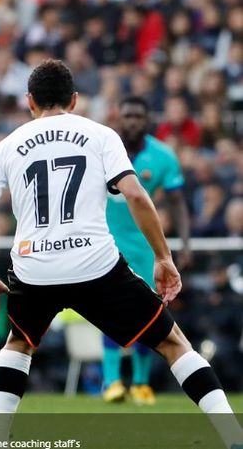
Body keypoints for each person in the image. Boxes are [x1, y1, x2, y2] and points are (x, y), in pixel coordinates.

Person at [0, 60, 243, 449]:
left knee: (18, 343)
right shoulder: (100, 135)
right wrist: (163, 256)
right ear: (75, 100)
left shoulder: (6, 147)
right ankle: (233, 439)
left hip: (34, 268)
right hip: (94, 264)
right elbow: (134, 194)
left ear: (30, 102)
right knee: (173, 343)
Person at [102, 95, 192, 405]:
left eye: (138, 116)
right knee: (108, 310)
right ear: (119, 118)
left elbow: (177, 202)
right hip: (104, 242)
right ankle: (111, 381)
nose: (132, 122)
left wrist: (184, 243)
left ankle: (140, 383)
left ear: (147, 120)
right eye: (127, 116)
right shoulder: (103, 149)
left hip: (144, 248)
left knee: (147, 314)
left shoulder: (163, 156)